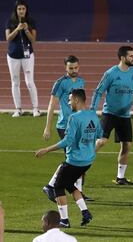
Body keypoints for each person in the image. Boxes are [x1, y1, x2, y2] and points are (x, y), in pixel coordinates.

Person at [35, 89, 103, 227]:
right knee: (69, 185)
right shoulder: (93, 116)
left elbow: (67, 141)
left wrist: (46, 149)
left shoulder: (74, 118)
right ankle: (85, 213)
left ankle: (64, 221)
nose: (68, 102)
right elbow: (99, 135)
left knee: (58, 187)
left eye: (70, 99)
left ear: (77, 100)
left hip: (74, 161)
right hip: (88, 161)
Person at [42, 55, 92, 203]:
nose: (74, 70)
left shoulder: (81, 81)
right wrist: (47, 127)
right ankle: (51, 186)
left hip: (78, 124)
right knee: (73, 160)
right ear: (66, 68)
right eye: (71, 68)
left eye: (76, 67)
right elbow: (51, 105)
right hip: (65, 125)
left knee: (78, 158)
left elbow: (81, 104)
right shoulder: (60, 83)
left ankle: (76, 190)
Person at [91, 46, 133, 185]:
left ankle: (120, 177)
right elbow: (98, 91)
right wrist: (92, 110)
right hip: (110, 114)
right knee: (101, 142)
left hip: (124, 116)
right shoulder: (111, 73)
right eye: (131, 56)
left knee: (127, 146)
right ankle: (82, 161)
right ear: (123, 58)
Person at [5, 0, 39, 117]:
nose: (21, 11)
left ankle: (35, 109)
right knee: (15, 82)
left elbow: (33, 40)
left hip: (27, 56)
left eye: (23, 9)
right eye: (19, 9)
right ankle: (18, 109)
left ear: (26, 10)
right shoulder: (10, 21)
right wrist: (17, 29)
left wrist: (25, 29)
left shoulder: (30, 21)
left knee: (29, 82)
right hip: (13, 56)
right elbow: (8, 38)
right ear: (16, 10)